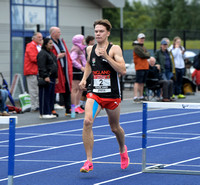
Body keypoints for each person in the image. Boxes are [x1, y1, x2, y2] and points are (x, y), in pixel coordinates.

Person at [79, 19, 129, 173]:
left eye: (101, 31)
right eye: (96, 31)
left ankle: (122, 149)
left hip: (111, 94)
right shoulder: (89, 49)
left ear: (108, 33)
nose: (98, 34)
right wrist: (84, 79)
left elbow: (123, 70)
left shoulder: (115, 49)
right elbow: (89, 64)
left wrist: (107, 57)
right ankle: (88, 161)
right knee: (87, 121)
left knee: (115, 128)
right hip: (95, 93)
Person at [49, 27, 73, 116]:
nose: (60, 33)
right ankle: (51, 109)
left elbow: (67, 54)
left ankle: (68, 108)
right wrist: (58, 56)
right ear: (53, 33)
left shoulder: (61, 41)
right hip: (55, 69)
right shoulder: (49, 42)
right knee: (54, 89)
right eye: (58, 32)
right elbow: (47, 55)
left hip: (64, 68)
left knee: (67, 88)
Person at [37, 38, 58, 119]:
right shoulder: (42, 53)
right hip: (45, 78)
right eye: (50, 43)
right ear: (45, 44)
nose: (51, 45)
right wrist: (45, 76)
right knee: (44, 95)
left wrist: (56, 76)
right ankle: (44, 112)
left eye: (52, 43)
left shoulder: (51, 53)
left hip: (52, 77)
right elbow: (41, 66)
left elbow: (54, 65)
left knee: (50, 96)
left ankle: (49, 111)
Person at [24, 32, 43, 111]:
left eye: (41, 37)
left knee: (37, 90)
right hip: (32, 71)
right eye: (39, 37)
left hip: (37, 71)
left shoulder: (38, 46)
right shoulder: (31, 45)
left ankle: (37, 105)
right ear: (34, 38)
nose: (40, 38)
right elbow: (33, 58)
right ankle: (34, 106)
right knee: (33, 90)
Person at [70, 34, 86, 114]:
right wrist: (80, 67)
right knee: (74, 89)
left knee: (80, 89)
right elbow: (72, 59)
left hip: (80, 71)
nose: (84, 40)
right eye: (82, 39)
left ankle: (78, 106)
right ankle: (73, 107)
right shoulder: (76, 49)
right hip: (76, 70)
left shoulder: (81, 48)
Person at [133, 33, 150, 103]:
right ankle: (135, 96)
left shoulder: (143, 47)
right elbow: (143, 55)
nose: (142, 40)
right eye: (141, 38)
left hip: (145, 67)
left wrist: (146, 54)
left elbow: (148, 54)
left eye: (143, 38)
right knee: (137, 81)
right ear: (138, 39)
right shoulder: (136, 47)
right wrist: (146, 54)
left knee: (142, 82)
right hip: (139, 67)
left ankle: (141, 96)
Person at [80, 35, 95, 110]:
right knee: (83, 89)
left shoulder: (92, 49)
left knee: (86, 89)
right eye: (93, 40)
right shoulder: (87, 49)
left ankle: (82, 105)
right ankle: (79, 105)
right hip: (85, 71)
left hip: (89, 70)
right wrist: (81, 67)